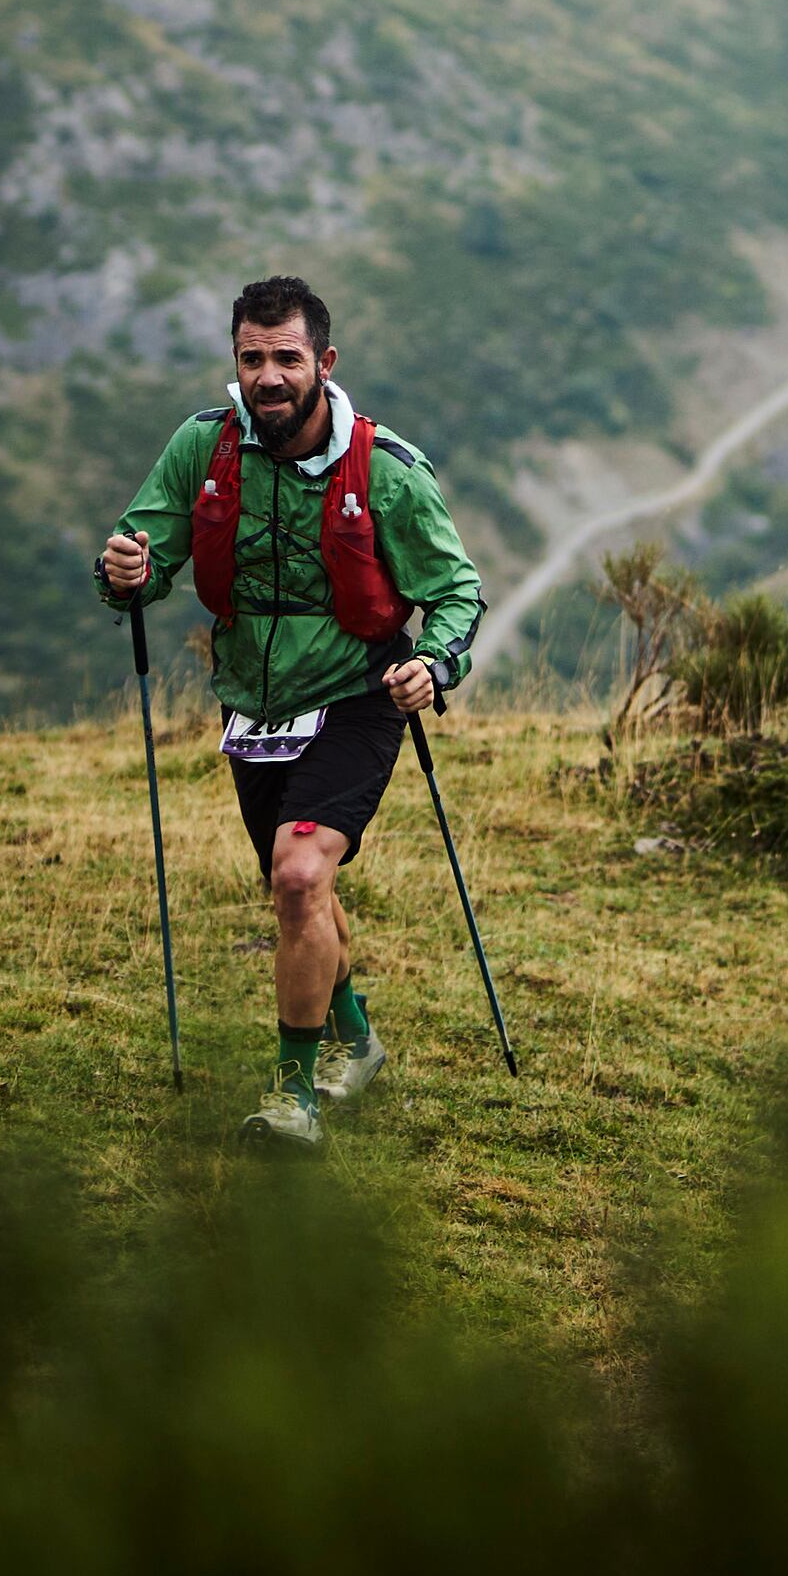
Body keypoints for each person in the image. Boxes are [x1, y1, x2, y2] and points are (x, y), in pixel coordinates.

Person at [97, 275, 485, 1147]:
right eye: (251, 358)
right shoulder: (202, 446)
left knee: (301, 875)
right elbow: (143, 552)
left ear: (324, 362)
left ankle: (292, 1096)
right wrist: (123, 568)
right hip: (252, 705)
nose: (267, 376)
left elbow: (456, 591)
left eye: (286, 357)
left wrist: (433, 661)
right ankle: (357, 1039)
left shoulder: (384, 469)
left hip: (358, 694)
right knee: (298, 891)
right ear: (235, 359)